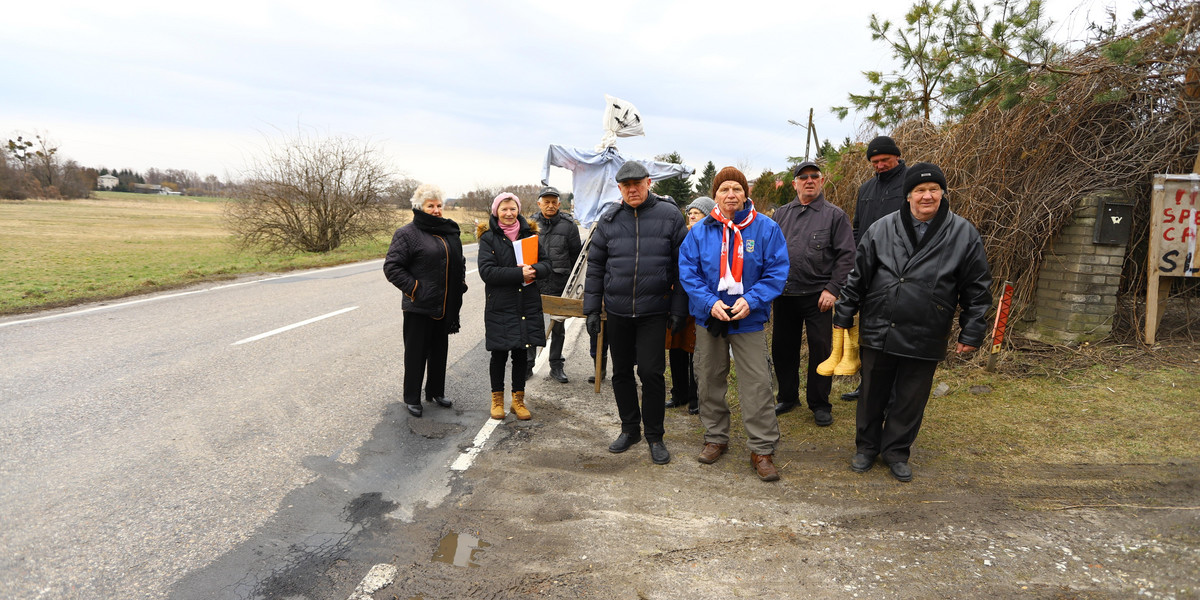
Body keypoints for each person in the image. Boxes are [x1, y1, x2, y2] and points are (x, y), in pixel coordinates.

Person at [834, 163, 992, 482]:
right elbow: (858, 275)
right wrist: (844, 311)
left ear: (943, 194)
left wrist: (972, 330)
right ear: (908, 196)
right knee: (871, 393)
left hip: (927, 328)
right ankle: (866, 447)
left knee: (911, 396)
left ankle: (896, 451)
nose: (926, 196)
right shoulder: (881, 228)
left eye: (934, 189)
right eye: (919, 190)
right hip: (880, 324)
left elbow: (977, 288)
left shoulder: (963, 234)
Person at [678, 167, 790, 481]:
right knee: (710, 378)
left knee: (757, 384)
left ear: (745, 194)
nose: (731, 195)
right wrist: (709, 302)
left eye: (736, 189)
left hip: (748, 320)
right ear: (715, 195)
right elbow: (689, 273)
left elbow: (776, 271)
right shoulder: (700, 232)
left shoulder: (766, 229)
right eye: (724, 189)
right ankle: (715, 437)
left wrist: (751, 300)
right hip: (709, 319)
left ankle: (762, 449)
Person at [584, 162, 688, 465]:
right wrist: (592, 309)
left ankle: (655, 435)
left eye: (637, 183)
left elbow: (683, 268)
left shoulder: (669, 216)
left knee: (651, 373)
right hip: (617, 312)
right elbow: (596, 268)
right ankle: (630, 429)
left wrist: (679, 309)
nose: (632, 189)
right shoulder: (609, 220)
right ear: (619, 188)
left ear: (649, 182)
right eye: (625, 185)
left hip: (654, 311)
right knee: (621, 373)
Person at [771, 161, 855, 426]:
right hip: (784, 295)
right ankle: (787, 396)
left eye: (814, 176)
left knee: (821, 350)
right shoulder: (781, 214)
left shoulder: (834, 215)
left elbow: (846, 256)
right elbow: (769, 251)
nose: (808, 180)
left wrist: (833, 289)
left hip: (818, 296)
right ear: (795, 183)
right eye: (802, 177)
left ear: (821, 181)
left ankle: (819, 403)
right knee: (783, 349)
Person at [383, 184, 468, 418]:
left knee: (439, 350)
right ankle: (412, 397)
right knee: (416, 353)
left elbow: (459, 261)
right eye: (431, 206)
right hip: (419, 305)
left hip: (444, 304)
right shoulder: (407, 234)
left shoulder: (449, 231)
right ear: (420, 207)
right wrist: (416, 289)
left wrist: (459, 284)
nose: (436, 210)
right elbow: (392, 267)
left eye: (439, 205)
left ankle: (436, 392)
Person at [842, 136, 910, 402]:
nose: (880, 165)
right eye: (875, 162)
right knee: (869, 328)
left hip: (900, 270)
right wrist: (858, 257)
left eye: (884, 160)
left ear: (897, 156)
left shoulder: (909, 184)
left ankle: (894, 389)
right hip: (869, 268)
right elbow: (857, 226)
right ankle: (867, 384)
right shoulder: (866, 189)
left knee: (895, 328)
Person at [477, 192, 551, 421]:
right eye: (504, 209)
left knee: (521, 354)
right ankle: (497, 400)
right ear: (496, 211)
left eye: (512, 209)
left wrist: (535, 270)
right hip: (500, 304)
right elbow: (486, 272)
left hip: (525, 303)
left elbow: (547, 264)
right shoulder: (489, 238)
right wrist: (518, 273)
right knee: (499, 353)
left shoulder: (531, 235)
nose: (509, 213)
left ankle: (518, 401)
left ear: (518, 210)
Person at [664, 196, 715, 415]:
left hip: (701, 300)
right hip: (678, 299)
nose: (692, 215)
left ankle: (696, 397)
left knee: (696, 350)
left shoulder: (713, 236)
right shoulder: (681, 234)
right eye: (690, 212)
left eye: (698, 212)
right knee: (676, 347)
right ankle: (679, 393)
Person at [527, 186, 583, 384]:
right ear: (539, 203)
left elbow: (577, 256)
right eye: (546, 201)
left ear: (559, 204)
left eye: (553, 202)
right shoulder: (530, 224)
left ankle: (556, 366)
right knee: (531, 323)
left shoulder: (569, 226)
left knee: (558, 325)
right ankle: (527, 364)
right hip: (535, 282)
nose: (550, 205)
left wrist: (574, 282)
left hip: (560, 282)